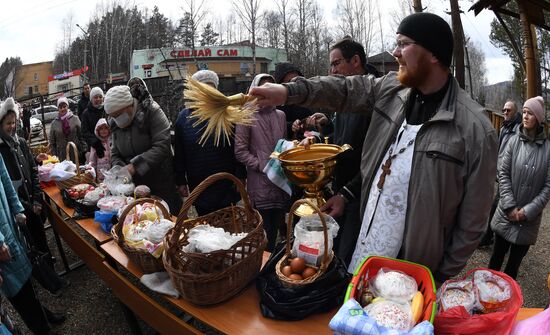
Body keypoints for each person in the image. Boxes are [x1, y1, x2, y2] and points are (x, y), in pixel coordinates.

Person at [250, 12, 498, 283]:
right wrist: (288, 92)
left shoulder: (474, 128)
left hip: (413, 268)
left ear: (433, 53)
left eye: (403, 44)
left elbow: (474, 219)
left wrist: (437, 273)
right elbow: (344, 89)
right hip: (366, 243)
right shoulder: (391, 90)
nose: (395, 52)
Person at [304, 37, 378, 266]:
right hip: (341, 191)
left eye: (336, 64)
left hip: (361, 196)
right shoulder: (346, 98)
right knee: (332, 250)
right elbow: (342, 140)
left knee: (349, 257)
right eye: (331, 65)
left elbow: (376, 158)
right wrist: (325, 129)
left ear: (355, 61)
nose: (332, 70)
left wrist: (347, 193)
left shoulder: (375, 100)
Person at [0, 153, 65, 335]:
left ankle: (43, 315)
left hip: (9, 226)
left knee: (26, 276)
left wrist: (17, 209)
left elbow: (5, 180)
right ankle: (41, 329)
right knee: (16, 287)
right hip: (1, 240)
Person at [489, 96, 550, 279]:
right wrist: (510, 206)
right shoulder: (513, 141)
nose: (525, 116)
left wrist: (526, 212)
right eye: (523, 112)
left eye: (530, 113)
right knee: (495, 261)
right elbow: (503, 173)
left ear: (538, 118)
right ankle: (484, 300)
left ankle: (507, 304)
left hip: (528, 221)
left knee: (512, 267)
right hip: (506, 213)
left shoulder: (548, 150)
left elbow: (548, 187)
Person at [174, 70, 245, 216]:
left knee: (229, 227)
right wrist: (181, 180)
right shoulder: (184, 118)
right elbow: (180, 153)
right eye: (204, 88)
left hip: (226, 184)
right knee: (206, 229)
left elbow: (237, 148)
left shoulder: (228, 113)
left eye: (211, 88)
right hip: (199, 184)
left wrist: (240, 176)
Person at [104, 84, 182, 215]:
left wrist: (134, 166)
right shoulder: (115, 123)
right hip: (135, 187)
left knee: (168, 217)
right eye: (113, 116)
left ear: (128, 106)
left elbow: (162, 146)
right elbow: (115, 151)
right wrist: (119, 169)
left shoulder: (151, 111)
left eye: (118, 114)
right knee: (142, 219)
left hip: (161, 181)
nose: (116, 119)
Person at [235, 74, 289, 252]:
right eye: (262, 89)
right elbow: (240, 151)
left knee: (280, 227)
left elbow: (283, 145)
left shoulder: (280, 115)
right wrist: (262, 165)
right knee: (264, 235)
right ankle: (262, 270)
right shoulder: (246, 114)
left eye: (270, 89)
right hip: (260, 184)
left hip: (280, 183)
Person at [479, 100, 522, 247]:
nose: (504, 112)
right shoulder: (505, 127)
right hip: (501, 173)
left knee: (497, 206)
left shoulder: (518, 130)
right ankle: (496, 237)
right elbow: (500, 150)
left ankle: (489, 238)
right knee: (499, 206)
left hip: (510, 176)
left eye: (508, 110)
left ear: (515, 112)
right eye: (503, 110)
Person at [273, 62, 314, 139]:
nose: (294, 85)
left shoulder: (306, 102)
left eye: (296, 81)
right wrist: (291, 126)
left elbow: (313, 133)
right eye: (289, 82)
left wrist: (308, 126)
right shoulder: (273, 106)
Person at [49, 97, 87, 162]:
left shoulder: (75, 119)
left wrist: (83, 150)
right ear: (58, 109)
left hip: (76, 154)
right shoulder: (54, 123)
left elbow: (82, 136)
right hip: (61, 156)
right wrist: (55, 155)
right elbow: (52, 142)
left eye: (64, 106)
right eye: (60, 107)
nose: (63, 109)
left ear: (67, 107)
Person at [81, 87, 106, 158]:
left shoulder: (107, 110)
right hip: (94, 147)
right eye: (95, 97)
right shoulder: (86, 114)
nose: (98, 99)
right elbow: (84, 132)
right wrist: (95, 142)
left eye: (100, 97)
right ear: (91, 99)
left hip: (109, 145)